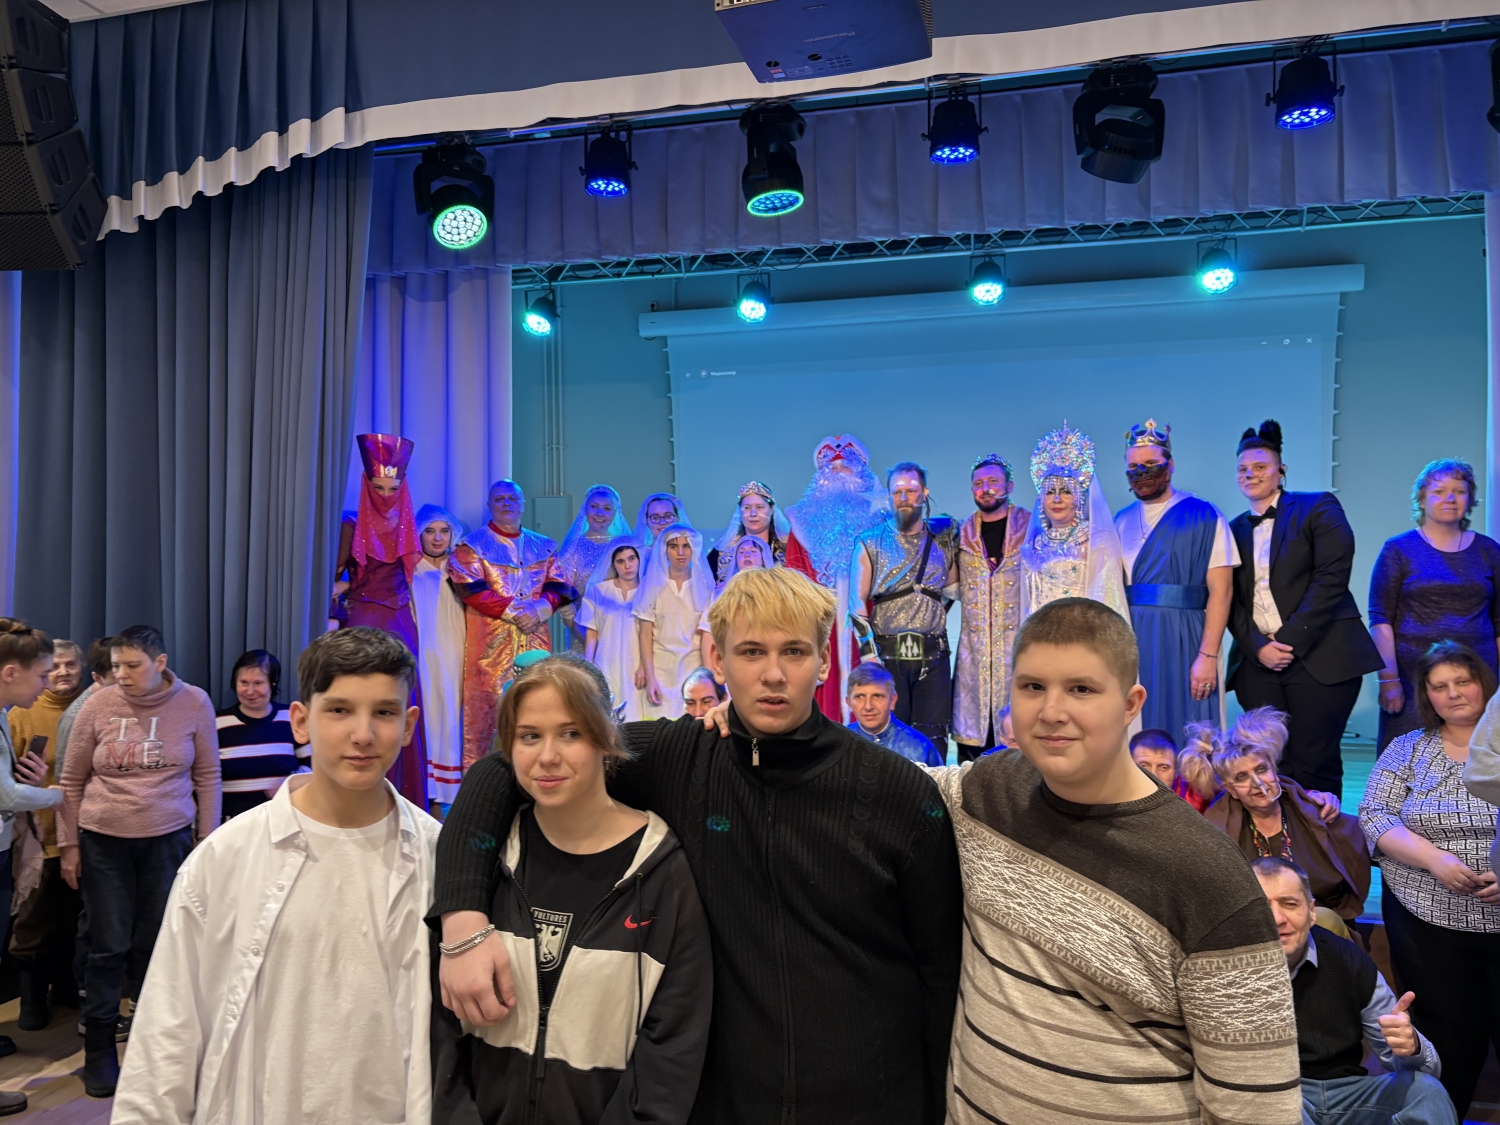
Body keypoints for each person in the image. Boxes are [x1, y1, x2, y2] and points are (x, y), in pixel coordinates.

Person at [433, 566, 962, 1124]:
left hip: (872, 1101)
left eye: (795, 652)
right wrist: (463, 921)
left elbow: (940, 976)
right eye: (752, 652)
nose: (773, 674)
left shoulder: (897, 792)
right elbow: (501, 771)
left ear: (825, 661)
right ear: (719, 661)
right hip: (724, 1105)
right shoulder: (680, 758)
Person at [921, 597, 1300, 1124]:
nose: (1051, 711)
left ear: (1130, 704)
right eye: (1032, 686)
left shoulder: (1207, 873)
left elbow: (1256, 1108)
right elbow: (877, 784)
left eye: (1081, 689)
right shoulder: (988, 790)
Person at [112, 627, 442, 1125]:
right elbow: (169, 1022)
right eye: (340, 710)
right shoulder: (226, 856)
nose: (363, 734)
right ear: (301, 722)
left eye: (384, 712)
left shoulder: (438, 855)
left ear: (409, 724)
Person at [432, 655, 712, 1123]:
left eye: (571, 733)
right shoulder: (483, 861)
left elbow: (672, 1048)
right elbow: (442, 1030)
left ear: (607, 737)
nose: (547, 756)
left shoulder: (663, 871)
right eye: (529, 736)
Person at [58, 625, 221, 1098]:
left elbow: (208, 775)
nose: (122, 675)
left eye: (132, 666)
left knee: (157, 945)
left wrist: (207, 840)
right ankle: (99, 1051)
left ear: (160, 663)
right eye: (116, 666)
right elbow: (70, 780)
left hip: (167, 841)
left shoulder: (194, 702)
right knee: (107, 945)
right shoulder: (97, 704)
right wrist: (69, 845)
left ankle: (153, 1048)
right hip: (104, 841)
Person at [1358, 639, 1500, 1119]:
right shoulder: (1407, 748)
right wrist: (1434, 859)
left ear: (1485, 684)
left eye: (1463, 681)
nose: (1453, 694)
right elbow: (1374, 814)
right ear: (1427, 695)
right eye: (1440, 686)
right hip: (1426, 919)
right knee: (1449, 1039)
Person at [1227, 421, 1383, 795]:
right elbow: (1227, 598)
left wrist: (1288, 640)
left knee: (1315, 760)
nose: (1250, 474)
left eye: (1260, 466)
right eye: (1243, 469)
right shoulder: (1231, 529)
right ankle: (1275, 833)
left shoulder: (1317, 506)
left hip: (1321, 655)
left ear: (1281, 470)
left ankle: (1318, 834)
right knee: (1269, 760)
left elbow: (1332, 576)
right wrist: (1258, 646)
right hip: (1258, 662)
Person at [1253, 857, 1456, 1125]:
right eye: (1262, 906)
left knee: (1426, 1092)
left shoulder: (1349, 961)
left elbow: (1426, 1070)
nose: (1277, 919)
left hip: (1347, 1093)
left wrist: (1411, 1047)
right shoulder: (1221, 967)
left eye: (1290, 904)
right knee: (1278, 1108)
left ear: (1311, 912)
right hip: (1275, 1095)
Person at [1180, 708, 1369, 925]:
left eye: (1261, 769)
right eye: (1241, 777)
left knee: (1327, 920)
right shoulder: (1218, 831)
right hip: (1253, 928)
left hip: (1316, 923)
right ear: (1230, 790)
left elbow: (1367, 839)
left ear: (1274, 770)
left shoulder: (1313, 812)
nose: (1257, 783)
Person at [1114, 419, 1240, 740]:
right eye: (1133, 467)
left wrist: (1207, 656)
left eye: (1150, 464)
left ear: (1170, 466)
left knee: (1190, 727)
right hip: (1135, 637)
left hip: (1187, 636)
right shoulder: (1121, 520)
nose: (1141, 472)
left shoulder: (1205, 515)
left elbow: (1222, 592)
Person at [1369, 458, 1500, 749]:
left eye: (1459, 491)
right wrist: (1388, 680)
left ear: (1470, 499)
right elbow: (1380, 619)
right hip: (1414, 680)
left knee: (1476, 758)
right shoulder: (1398, 550)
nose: (1450, 498)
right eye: (1439, 492)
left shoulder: (1489, 550)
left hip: (1478, 679)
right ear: (1422, 499)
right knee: (1407, 757)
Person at [330, 432, 429, 804]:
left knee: (400, 701)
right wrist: (344, 587)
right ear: (365, 484)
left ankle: (403, 797)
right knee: (362, 696)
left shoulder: (410, 523)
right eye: (378, 487)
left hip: (402, 624)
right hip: (364, 620)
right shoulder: (350, 526)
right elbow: (333, 579)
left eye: (393, 487)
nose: (385, 495)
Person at [451, 478, 575, 769]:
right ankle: (483, 776)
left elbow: (559, 586)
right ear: (489, 505)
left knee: (538, 698)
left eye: (512, 498)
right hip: (490, 644)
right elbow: (471, 589)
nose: (506, 504)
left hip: (535, 637)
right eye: (500, 499)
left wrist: (539, 610)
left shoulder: (543, 545)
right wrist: (513, 612)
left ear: (522, 504)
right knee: (490, 704)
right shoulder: (472, 546)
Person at [0, 619, 65, 1112]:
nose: (47, 684)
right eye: (42, 674)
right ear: (9, 672)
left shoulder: (5, 714)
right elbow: (5, 796)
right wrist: (57, 794)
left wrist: (29, 781)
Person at [7, 638, 85, 1036]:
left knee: (72, 919)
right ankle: (32, 999)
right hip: (36, 836)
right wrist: (48, 795)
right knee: (32, 921)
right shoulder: (20, 711)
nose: (62, 673)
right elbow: (9, 785)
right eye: (53, 667)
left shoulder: (90, 708)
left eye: (71, 665)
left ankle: (67, 990)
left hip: (80, 837)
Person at [783, 434, 889, 721]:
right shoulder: (801, 524)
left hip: (873, 624)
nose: (840, 474)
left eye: (847, 468)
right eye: (832, 469)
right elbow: (794, 584)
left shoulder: (882, 521)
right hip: (821, 628)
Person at [852, 462, 957, 745]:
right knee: (888, 737)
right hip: (886, 655)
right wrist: (869, 656)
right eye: (897, 491)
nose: (904, 497)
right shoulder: (869, 542)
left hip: (933, 655)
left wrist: (932, 614)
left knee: (933, 737)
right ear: (889, 496)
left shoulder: (943, 539)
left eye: (911, 490)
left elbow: (952, 589)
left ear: (924, 493)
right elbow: (856, 602)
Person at [952, 454, 1030, 762]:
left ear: (1010, 486)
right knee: (973, 748)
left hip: (1017, 653)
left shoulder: (1031, 528)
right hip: (974, 660)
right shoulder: (960, 534)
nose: (986, 489)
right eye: (979, 483)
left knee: (1018, 739)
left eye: (993, 481)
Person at [1018, 425, 1129, 622]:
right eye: (1050, 492)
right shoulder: (1036, 543)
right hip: (1041, 634)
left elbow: (1108, 601)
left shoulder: (1096, 540)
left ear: (1080, 499)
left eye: (1066, 492)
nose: (1057, 499)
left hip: (1082, 632)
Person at [413, 504, 469, 806]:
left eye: (444, 531)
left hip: (456, 649)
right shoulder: (410, 571)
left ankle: (452, 792)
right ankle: (427, 789)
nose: (437, 538)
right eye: (430, 531)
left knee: (452, 709)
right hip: (422, 653)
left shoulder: (461, 570)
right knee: (427, 710)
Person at [214, 649, 307, 818]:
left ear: (273, 684)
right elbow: (204, 776)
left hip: (284, 818)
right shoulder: (216, 722)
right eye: (244, 682)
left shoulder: (291, 717)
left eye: (258, 683)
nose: (250, 691)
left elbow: (314, 767)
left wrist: (289, 784)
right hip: (232, 822)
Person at [634, 524, 713, 720]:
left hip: (693, 667)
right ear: (665, 550)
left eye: (686, 546)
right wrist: (650, 678)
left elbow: (707, 636)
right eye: (674, 546)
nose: (681, 553)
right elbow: (645, 634)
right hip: (660, 669)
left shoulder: (704, 585)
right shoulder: (652, 583)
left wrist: (709, 677)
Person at [554, 484, 632, 651]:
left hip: (622, 630)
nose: (600, 513)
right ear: (585, 510)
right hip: (583, 630)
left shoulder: (624, 546)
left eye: (607, 508)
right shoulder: (575, 547)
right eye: (594, 507)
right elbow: (562, 592)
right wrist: (579, 631)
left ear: (616, 513)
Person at [581, 537, 648, 721]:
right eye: (620, 561)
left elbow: (651, 634)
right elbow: (592, 633)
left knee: (636, 713)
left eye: (631, 559)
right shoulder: (598, 591)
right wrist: (589, 666)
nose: (627, 566)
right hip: (606, 660)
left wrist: (644, 666)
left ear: (639, 559)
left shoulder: (648, 592)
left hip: (636, 662)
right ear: (613, 564)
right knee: (606, 713)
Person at [844, 661, 943, 766]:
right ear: (849, 703)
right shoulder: (838, 744)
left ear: (892, 700)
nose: (868, 706)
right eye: (859, 697)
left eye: (877, 696)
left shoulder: (921, 749)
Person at [706, 480, 788, 583]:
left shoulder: (786, 551)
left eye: (760, 507)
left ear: (771, 510)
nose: (753, 513)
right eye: (747, 508)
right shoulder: (722, 553)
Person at [1128, 727, 1211, 812]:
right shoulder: (1119, 799)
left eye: (1164, 767)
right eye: (1144, 766)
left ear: (1175, 773)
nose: (1153, 775)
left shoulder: (1196, 801)